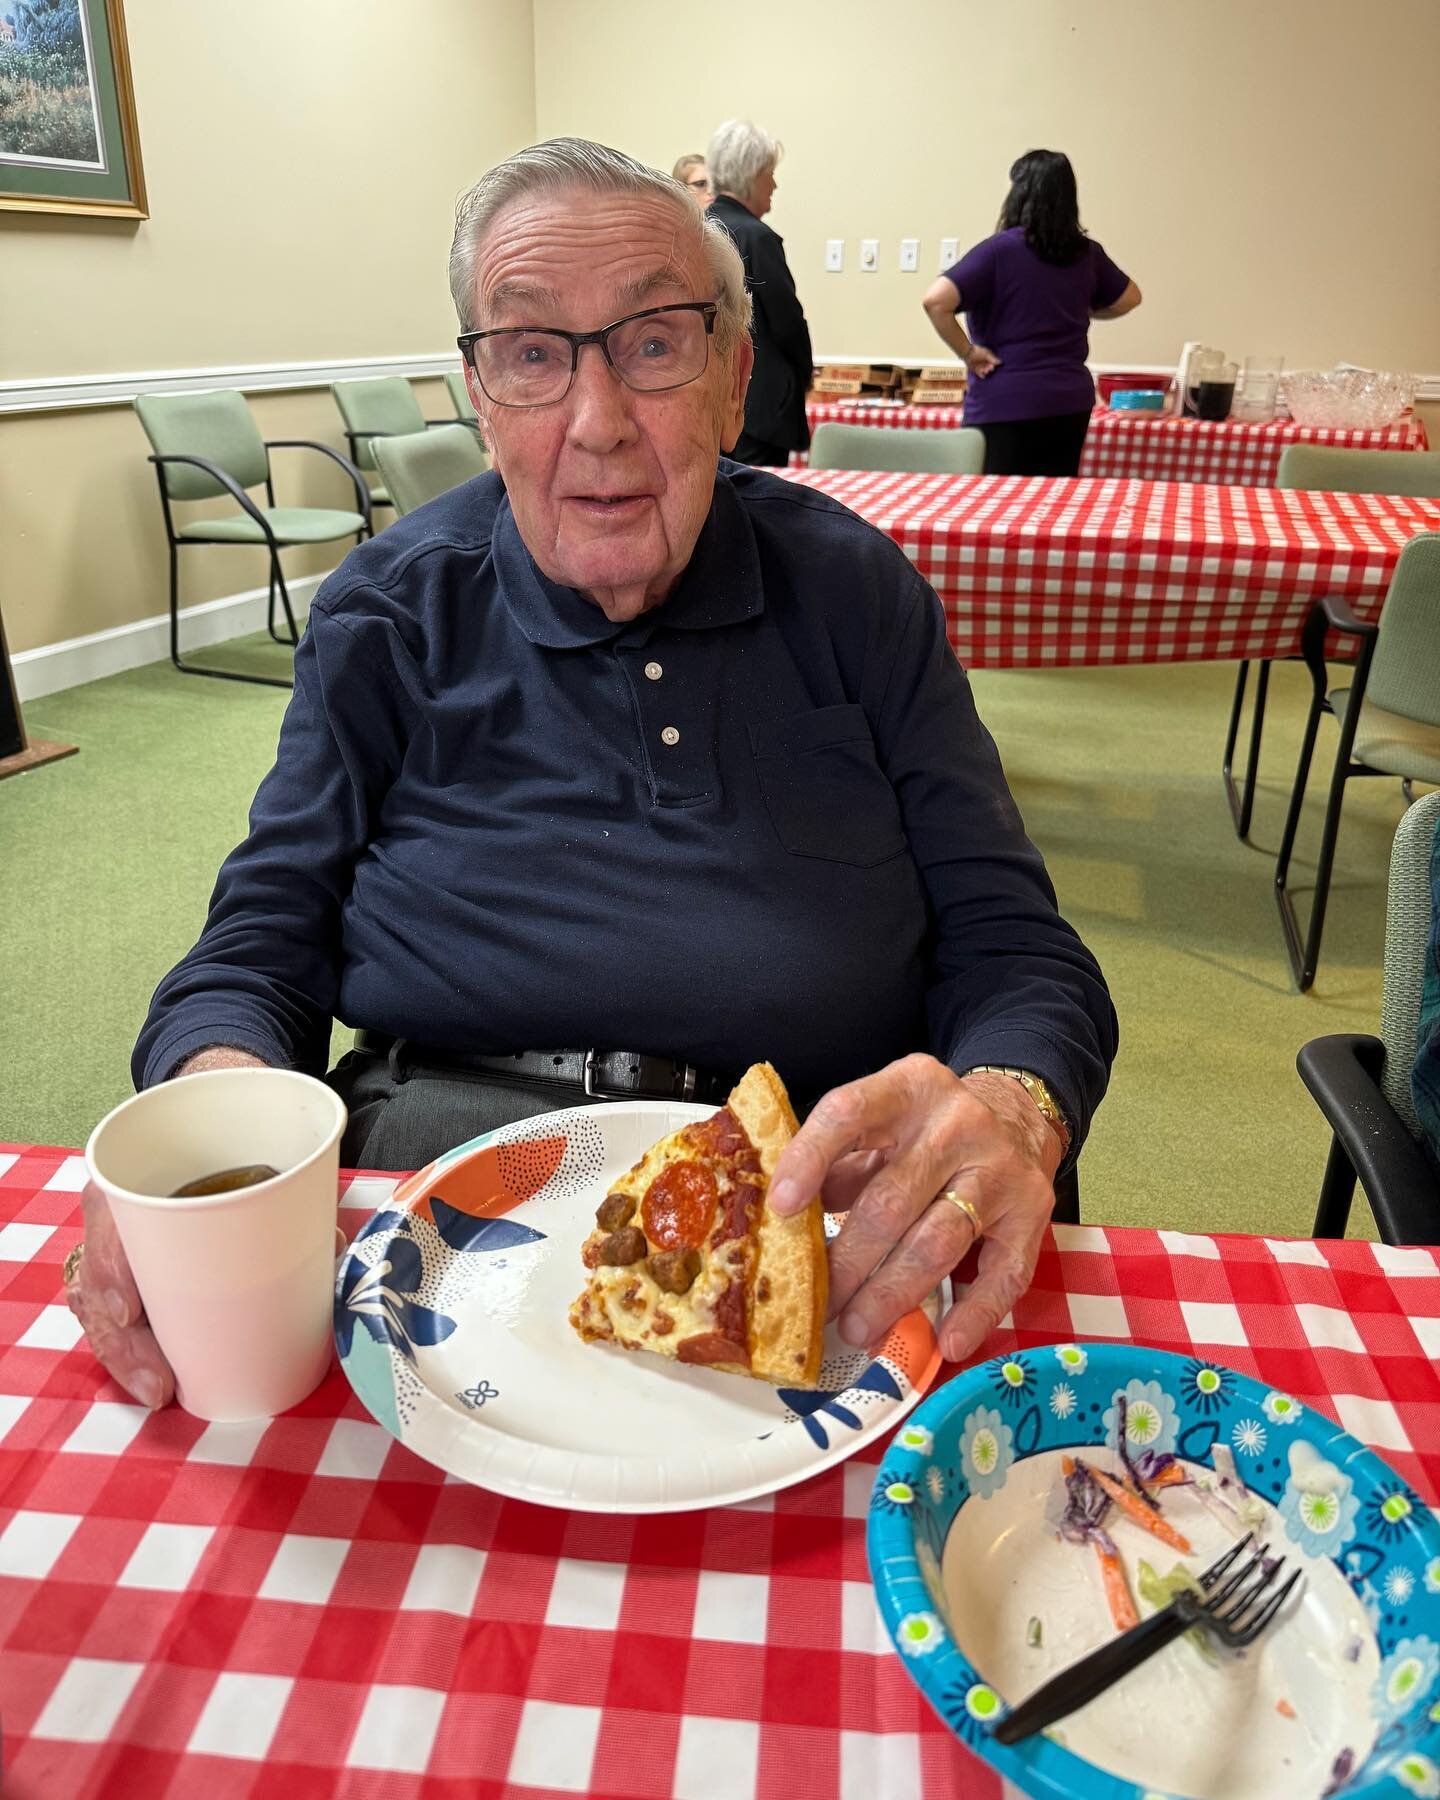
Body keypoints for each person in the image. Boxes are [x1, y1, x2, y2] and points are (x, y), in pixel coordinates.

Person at [65, 137, 1116, 1416]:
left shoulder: (855, 593)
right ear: (476, 395)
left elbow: (1021, 952)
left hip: (815, 1208)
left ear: (738, 381)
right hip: (438, 1176)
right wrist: (208, 1127)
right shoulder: (389, 617)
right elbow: (252, 953)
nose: (597, 420)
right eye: (531, 353)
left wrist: (1012, 1105)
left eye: (655, 344)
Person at [921, 149, 1142, 477]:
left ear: (1018, 194)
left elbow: (935, 301)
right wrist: (1083, 308)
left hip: (1004, 400)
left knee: (995, 507)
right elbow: (1129, 299)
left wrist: (969, 353)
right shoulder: (1087, 253)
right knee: (1052, 506)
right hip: (1069, 402)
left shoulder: (998, 251)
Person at [705, 119, 813, 467]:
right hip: (759, 407)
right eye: (770, 172)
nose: (775, 184)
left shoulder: (699, 230)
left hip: (713, 400)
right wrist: (805, 374)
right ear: (751, 174)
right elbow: (787, 324)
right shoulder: (758, 238)